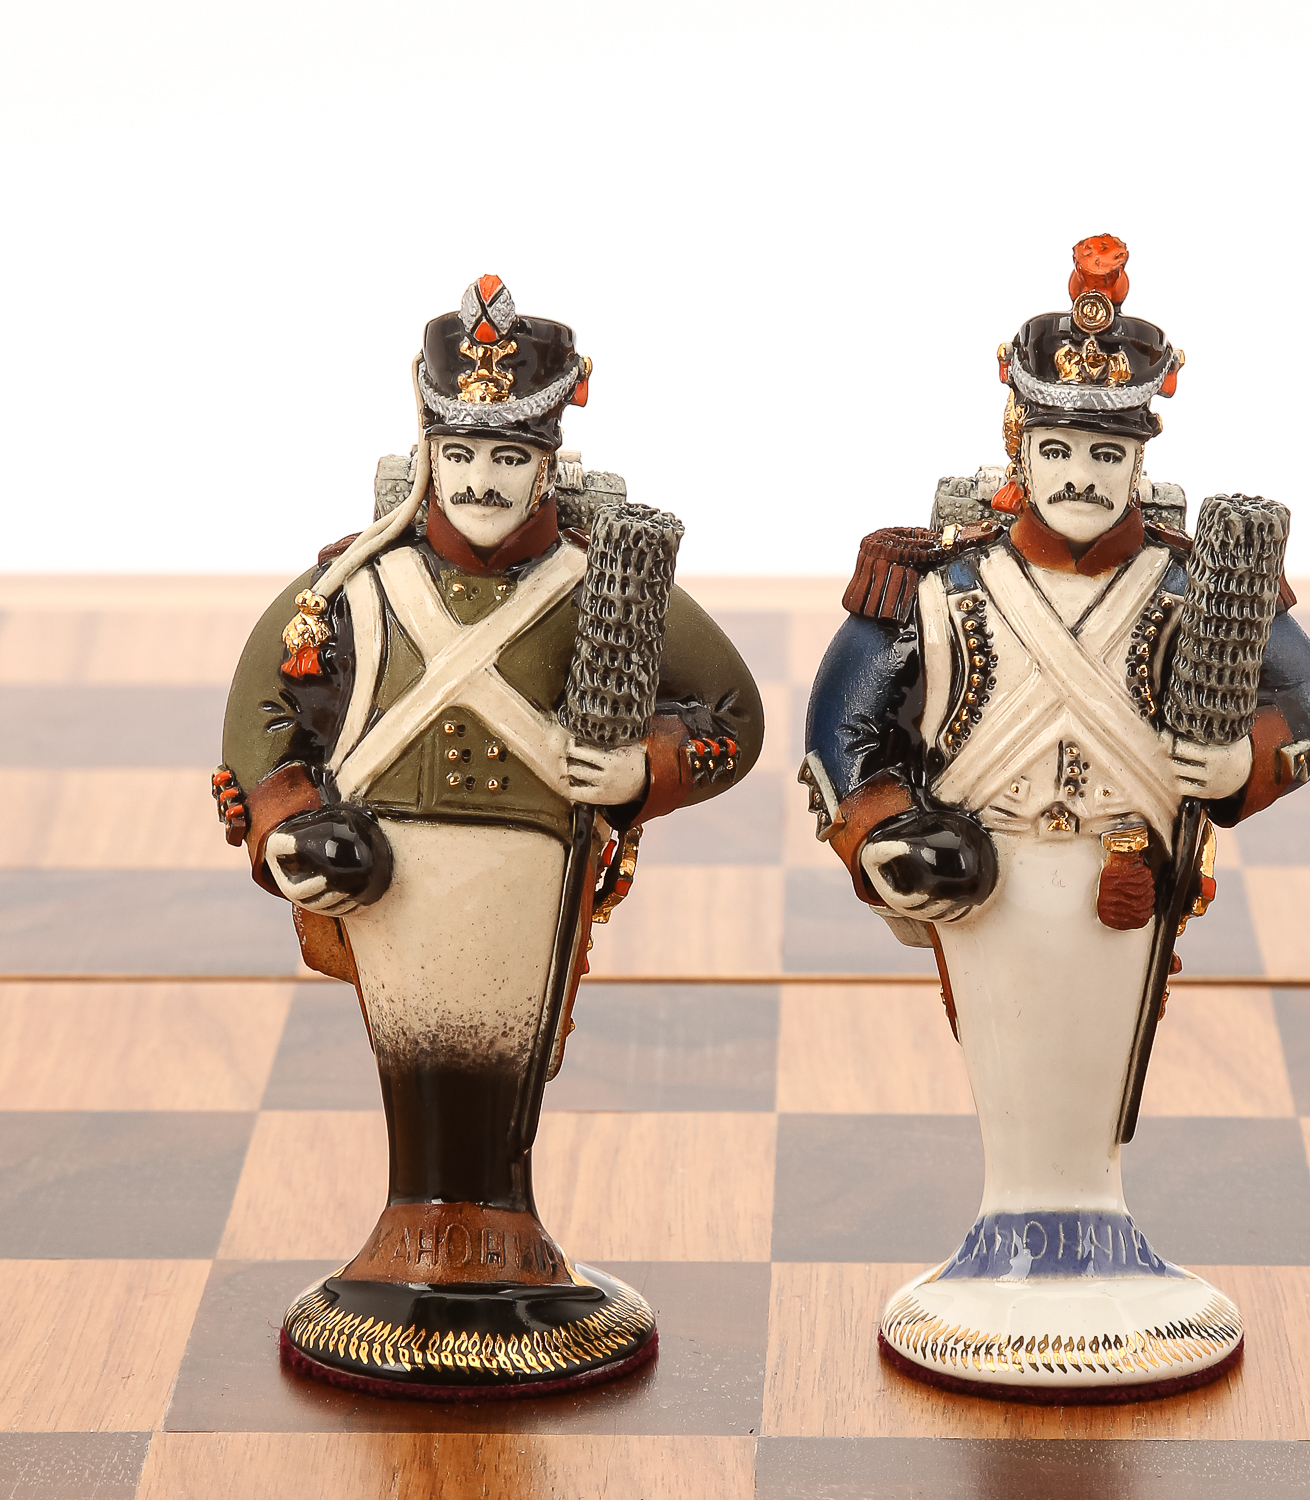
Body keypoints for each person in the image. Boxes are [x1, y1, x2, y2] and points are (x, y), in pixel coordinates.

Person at [802, 234, 1310, 1399]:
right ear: (1020, 445)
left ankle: (1091, 1232)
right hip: (984, 866)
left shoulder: (1202, 581)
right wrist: (886, 837)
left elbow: (1308, 712)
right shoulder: (936, 580)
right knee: (1008, 1052)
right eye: (1059, 449)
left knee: (1098, 1057)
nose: (1082, 475)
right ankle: (1013, 1236)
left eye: (1105, 451)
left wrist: (1235, 760)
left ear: (1139, 456)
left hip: (1126, 873)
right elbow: (844, 729)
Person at [216, 273, 763, 1397]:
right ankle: (418, 1231)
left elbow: (734, 714)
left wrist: (641, 768)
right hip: (389, 872)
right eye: (459, 452)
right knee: (415, 1056)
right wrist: (290, 825)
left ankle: (499, 1235)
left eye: (507, 456)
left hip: (535, 870)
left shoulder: (607, 583)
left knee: (508, 1056)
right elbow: (264, 710)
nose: (479, 479)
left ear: (547, 462)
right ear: (427, 449)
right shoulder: (355, 581)